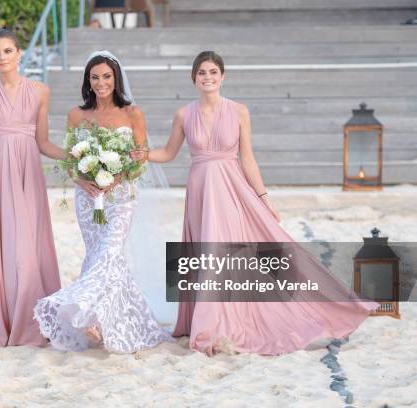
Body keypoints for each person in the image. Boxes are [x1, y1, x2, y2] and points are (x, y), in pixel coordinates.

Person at [131, 51, 378, 356]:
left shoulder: (239, 112)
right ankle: (208, 323)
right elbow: (168, 152)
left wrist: (263, 198)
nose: (207, 78)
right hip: (200, 192)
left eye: (213, 72)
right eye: (201, 73)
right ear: (193, 78)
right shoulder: (184, 114)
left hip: (231, 189)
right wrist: (143, 155)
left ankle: (220, 325)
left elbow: (247, 158)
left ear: (223, 77)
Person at [33, 51, 172, 353]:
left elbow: (141, 157)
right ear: (88, 81)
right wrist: (82, 181)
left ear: (116, 78)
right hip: (87, 198)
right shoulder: (76, 115)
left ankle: (76, 307)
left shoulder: (132, 113)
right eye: (94, 77)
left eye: (106, 76)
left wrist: (118, 177)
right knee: (97, 256)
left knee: (110, 252)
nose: (101, 83)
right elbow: (72, 159)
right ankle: (102, 322)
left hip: (121, 197)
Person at [0, 29, 64, 348]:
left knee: (28, 242)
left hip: (28, 172)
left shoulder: (40, 91)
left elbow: (43, 142)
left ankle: (32, 318)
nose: (2, 58)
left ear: (20, 53)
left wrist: (79, 157)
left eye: (8, 51)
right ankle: (3, 318)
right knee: (1, 243)